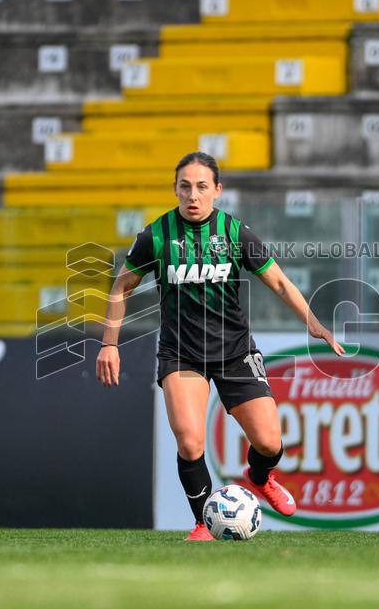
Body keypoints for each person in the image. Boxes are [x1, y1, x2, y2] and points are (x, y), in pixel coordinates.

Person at [96, 152, 345, 541]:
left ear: (217, 190)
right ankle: (203, 523)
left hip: (235, 351)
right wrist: (109, 344)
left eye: (201, 187)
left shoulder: (234, 233)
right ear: (175, 189)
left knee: (269, 442)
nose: (192, 195)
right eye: (185, 187)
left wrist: (313, 322)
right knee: (189, 439)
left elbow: (279, 282)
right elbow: (121, 286)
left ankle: (260, 477)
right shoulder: (155, 236)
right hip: (181, 353)